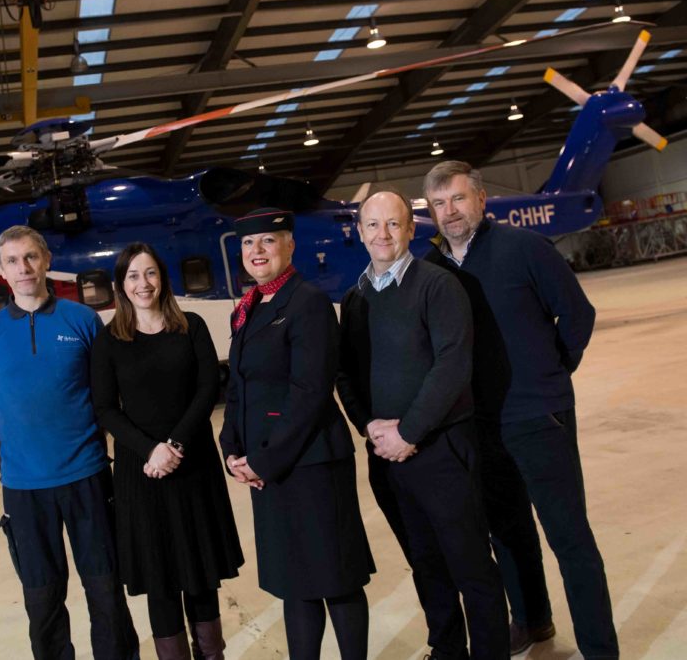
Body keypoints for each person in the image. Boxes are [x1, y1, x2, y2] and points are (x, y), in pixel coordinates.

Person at [423, 161, 618, 659]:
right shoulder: (437, 267)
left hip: (538, 419)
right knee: (508, 534)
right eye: (439, 204)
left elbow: (577, 315)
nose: (450, 212)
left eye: (458, 199)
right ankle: (533, 621)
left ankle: (600, 649)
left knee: (569, 539)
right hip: (478, 425)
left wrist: (551, 374)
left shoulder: (523, 247)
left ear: (482, 199)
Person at [337, 190, 509, 660]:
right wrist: (370, 427)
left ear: (411, 229)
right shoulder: (355, 298)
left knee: (470, 563)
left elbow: (452, 365)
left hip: (441, 450)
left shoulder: (437, 285)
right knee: (425, 564)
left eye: (393, 224)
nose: (382, 235)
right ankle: (447, 649)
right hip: (387, 458)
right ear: (359, 232)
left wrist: (408, 432)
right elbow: (345, 374)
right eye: (372, 225)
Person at [0, 225, 139, 660]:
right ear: (0, 271)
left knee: (105, 586)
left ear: (45, 261)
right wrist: (23, 447)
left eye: (30, 257)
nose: (22, 268)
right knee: (41, 597)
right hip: (24, 488)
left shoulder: (81, 321)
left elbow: (107, 395)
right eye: (12, 261)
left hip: (88, 477)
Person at [218, 207, 374, 660]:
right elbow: (240, 387)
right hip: (269, 467)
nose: (257, 251)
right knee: (294, 582)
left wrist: (263, 461)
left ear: (289, 245)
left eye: (268, 240)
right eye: (248, 243)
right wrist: (230, 447)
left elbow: (310, 392)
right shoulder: (249, 307)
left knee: (335, 577)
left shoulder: (307, 302)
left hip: (309, 463)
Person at [90, 242, 244, 660]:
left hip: (192, 463)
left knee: (200, 574)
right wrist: (149, 451)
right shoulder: (109, 341)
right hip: (142, 473)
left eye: (151, 273)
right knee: (160, 580)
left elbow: (207, 387)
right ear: (122, 285)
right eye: (134, 276)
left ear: (163, 278)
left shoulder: (190, 326)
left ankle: (212, 654)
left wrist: (173, 445)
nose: (144, 284)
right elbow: (105, 407)